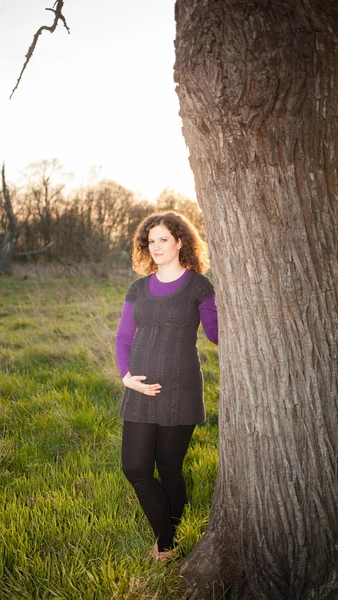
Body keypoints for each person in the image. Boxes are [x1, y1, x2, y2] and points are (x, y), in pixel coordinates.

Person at [115, 211, 218, 562]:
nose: (156, 246)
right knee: (136, 468)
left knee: (170, 468)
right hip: (140, 390)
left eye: (163, 239)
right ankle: (169, 543)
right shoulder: (138, 288)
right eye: (151, 240)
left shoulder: (199, 285)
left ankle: (165, 544)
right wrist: (126, 376)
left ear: (179, 242)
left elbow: (217, 334)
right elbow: (123, 338)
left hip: (180, 390)